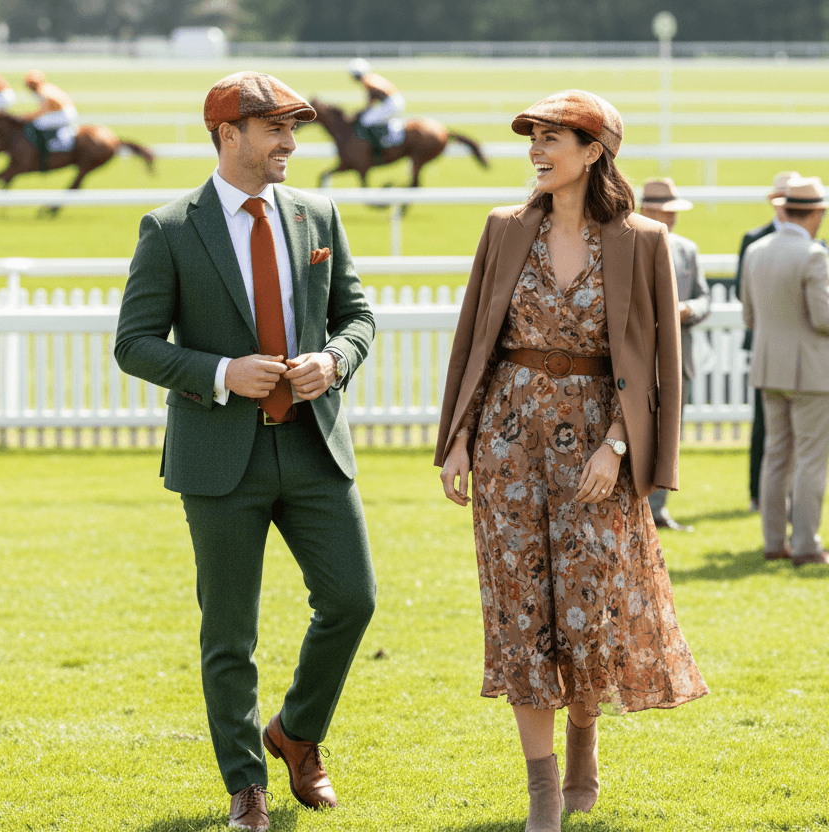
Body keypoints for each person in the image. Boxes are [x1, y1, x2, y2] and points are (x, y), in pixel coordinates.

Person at [436, 90, 708, 832]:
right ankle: (542, 794)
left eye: (553, 137)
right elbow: (474, 344)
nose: (537, 149)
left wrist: (619, 446)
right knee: (521, 617)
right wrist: (459, 438)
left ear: (594, 152)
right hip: (506, 443)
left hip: (598, 449)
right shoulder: (502, 229)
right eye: (534, 136)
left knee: (590, 617)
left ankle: (585, 736)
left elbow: (656, 361)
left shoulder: (642, 240)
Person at [115, 71, 377, 831]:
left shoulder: (319, 212)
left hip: (314, 445)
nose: (291, 144)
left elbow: (357, 317)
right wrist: (224, 372)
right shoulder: (168, 229)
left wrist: (336, 360)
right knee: (230, 631)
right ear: (229, 135)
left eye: (294, 130)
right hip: (218, 457)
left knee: (352, 601)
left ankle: (295, 733)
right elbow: (133, 344)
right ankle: (246, 785)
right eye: (276, 131)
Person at [740, 176, 829, 567]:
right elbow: (824, 318)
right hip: (810, 371)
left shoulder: (756, 251)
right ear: (816, 213)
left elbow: (748, 314)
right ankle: (807, 544)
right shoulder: (814, 254)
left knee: (776, 457)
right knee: (810, 459)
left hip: (768, 367)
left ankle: (774, 541)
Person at [640, 178, 711, 532]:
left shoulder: (688, 249)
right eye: (664, 211)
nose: (670, 218)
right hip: (638, 359)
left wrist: (685, 309)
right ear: (646, 210)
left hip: (678, 356)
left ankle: (658, 509)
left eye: (672, 212)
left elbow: (704, 297)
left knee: (670, 436)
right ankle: (639, 510)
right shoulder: (628, 244)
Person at [734, 171, 801, 513]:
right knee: (763, 424)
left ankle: (787, 498)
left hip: (797, 350)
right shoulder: (753, 239)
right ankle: (756, 494)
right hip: (763, 343)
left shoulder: (814, 245)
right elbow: (740, 290)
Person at [20, 69, 79, 166]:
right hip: (64, 112)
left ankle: (47, 146)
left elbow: (42, 113)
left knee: (39, 124)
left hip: (64, 114)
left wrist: (25, 117)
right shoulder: (45, 88)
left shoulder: (43, 92)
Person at [347, 57, 405, 154]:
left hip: (391, 103)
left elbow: (371, 99)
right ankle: (391, 134)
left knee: (366, 120)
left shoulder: (367, 81)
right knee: (378, 118)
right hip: (395, 100)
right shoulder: (371, 77)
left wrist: (364, 110)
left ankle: (379, 144)